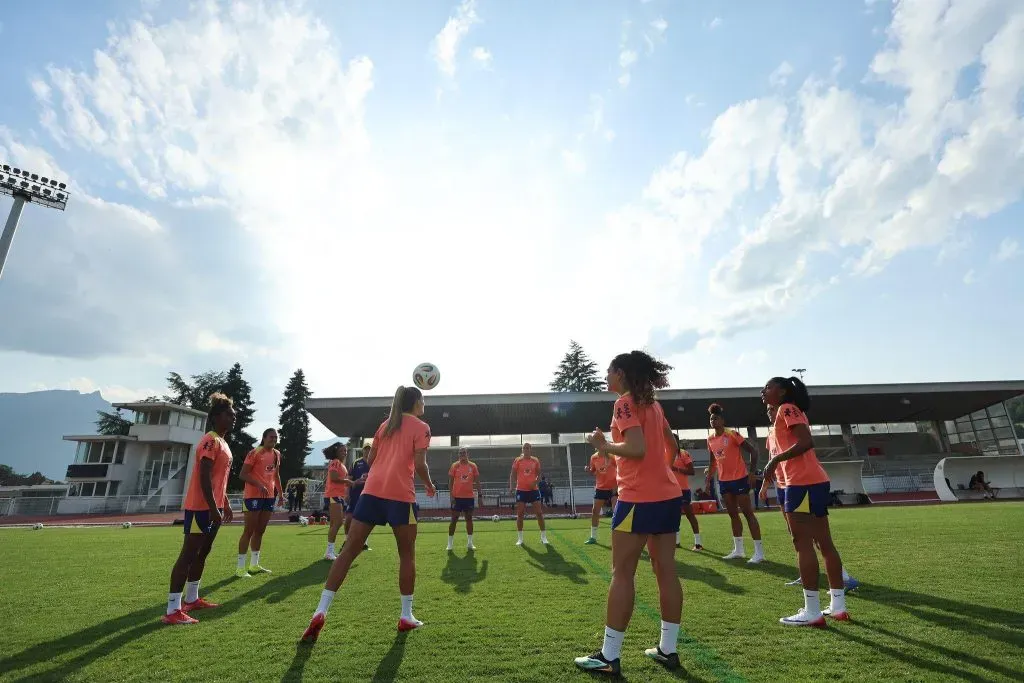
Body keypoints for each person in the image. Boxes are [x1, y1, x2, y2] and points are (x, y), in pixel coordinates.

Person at [574, 351, 684, 675]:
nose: (606, 377)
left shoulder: (623, 402)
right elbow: (671, 446)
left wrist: (602, 445)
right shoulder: (654, 403)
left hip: (637, 498)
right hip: (666, 495)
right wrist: (659, 471)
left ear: (620, 373)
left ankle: (609, 656)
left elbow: (636, 448)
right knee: (666, 571)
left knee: (622, 574)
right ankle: (668, 649)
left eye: (609, 372)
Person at [301, 386, 436, 643]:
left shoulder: (385, 425)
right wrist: (429, 485)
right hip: (400, 496)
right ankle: (406, 615)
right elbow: (420, 464)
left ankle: (320, 610)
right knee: (407, 555)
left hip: (371, 493)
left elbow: (372, 461)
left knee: (348, 551)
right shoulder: (422, 427)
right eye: (423, 400)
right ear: (417, 402)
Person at [760, 376, 849, 627]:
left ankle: (812, 610)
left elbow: (806, 441)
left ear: (783, 391)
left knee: (803, 543)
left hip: (802, 483)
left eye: (768, 387)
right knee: (824, 543)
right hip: (809, 482)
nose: (763, 391)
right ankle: (838, 606)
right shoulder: (785, 412)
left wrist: (775, 460)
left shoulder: (787, 409)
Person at [162, 393, 235, 625]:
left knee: (203, 552)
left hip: (213, 507)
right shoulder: (210, 440)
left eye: (234, 415)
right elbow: (204, 475)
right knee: (188, 555)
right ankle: (173, 609)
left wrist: (226, 503)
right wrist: (214, 507)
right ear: (216, 417)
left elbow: (218, 479)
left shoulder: (223, 443)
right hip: (200, 508)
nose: (233, 418)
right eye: (229, 414)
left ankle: (192, 599)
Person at [705, 403, 764, 563]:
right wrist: (708, 479)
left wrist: (751, 472)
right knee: (732, 515)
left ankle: (759, 552)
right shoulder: (710, 439)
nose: (713, 421)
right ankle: (739, 550)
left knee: (748, 513)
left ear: (722, 420)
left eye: (716, 418)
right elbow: (713, 463)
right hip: (724, 482)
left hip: (739, 478)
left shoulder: (732, 434)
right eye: (711, 419)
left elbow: (753, 451)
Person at [236, 428, 284, 577]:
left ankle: (254, 565)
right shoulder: (255, 452)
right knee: (248, 531)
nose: (274, 440)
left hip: (269, 497)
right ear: (263, 438)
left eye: (276, 438)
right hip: (253, 496)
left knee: (260, 531)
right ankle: (240, 568)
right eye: (271, 437)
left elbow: (276, 475)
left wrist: (280, 494)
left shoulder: (276, 454)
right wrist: (258, 484)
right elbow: (242, 474)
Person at [509, 442, 548, 546]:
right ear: (522, 450)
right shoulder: (518, 460)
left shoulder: (535, 460)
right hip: (521, 490)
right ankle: (520, 539)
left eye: (528, 448)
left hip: (533, 490)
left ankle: (543, 537)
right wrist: (511, 487)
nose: (526, 449)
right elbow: (512, 474)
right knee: (520, 513)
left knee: (539, 513)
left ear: (531, 449)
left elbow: (539, 474)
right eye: (524, 448)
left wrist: (535, 482)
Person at [669, 439, 702, 551]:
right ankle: (676, 542)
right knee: (674, 516)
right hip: (670, 490)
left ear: (677, 442)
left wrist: (676, 468)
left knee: (689, 515)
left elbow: (691, 471)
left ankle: (698, 543)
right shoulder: (664, 453)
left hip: (683, 490)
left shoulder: (683, 453)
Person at [447, 447, 481, 551]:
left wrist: (480, 496)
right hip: (457, 498)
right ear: (458, 455)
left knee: (469, 519)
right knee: (454, 520)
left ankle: (470, 543)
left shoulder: (473, 466)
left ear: (467, 454)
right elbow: (451, 482)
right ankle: (450, 544)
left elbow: (477, 482)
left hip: (469, 498)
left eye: (464, 453)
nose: (462, 454)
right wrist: (451, 496)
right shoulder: (455, 466)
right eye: (460, 453)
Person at [323, 443, 353, 561]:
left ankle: (329, 551)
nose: (345, 453)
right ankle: (329, 551)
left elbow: (340, 479)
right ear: (336, 452)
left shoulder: (340, 464)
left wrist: (350, 482)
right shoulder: (335, 462)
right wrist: (349, 482)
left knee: (334, 523)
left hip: (337, 495)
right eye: (342, 451)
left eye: (345, 451)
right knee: (338, 522)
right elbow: (334, 478)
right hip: (333, 495)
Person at [585, 449, 617, 544]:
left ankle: (618, 537)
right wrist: (588, 470)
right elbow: (593, 471)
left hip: (613, 487)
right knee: (595, 511)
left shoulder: (612, 456)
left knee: (617, 512)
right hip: (600, 488)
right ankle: (593, 537)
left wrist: (618, 485)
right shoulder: (593, 457)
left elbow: (620, 468)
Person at [346, 443, 372, 551]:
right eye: (365, 449)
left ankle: (364, 542)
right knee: (350, 518)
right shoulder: (356, 463)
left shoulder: (375, 462)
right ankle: (347, 539)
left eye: (369, 449)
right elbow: (349, 479)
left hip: (369, 494)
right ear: (363, 451)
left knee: (367, 518)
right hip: (355, 494)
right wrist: (347, 493)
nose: (367, 451)